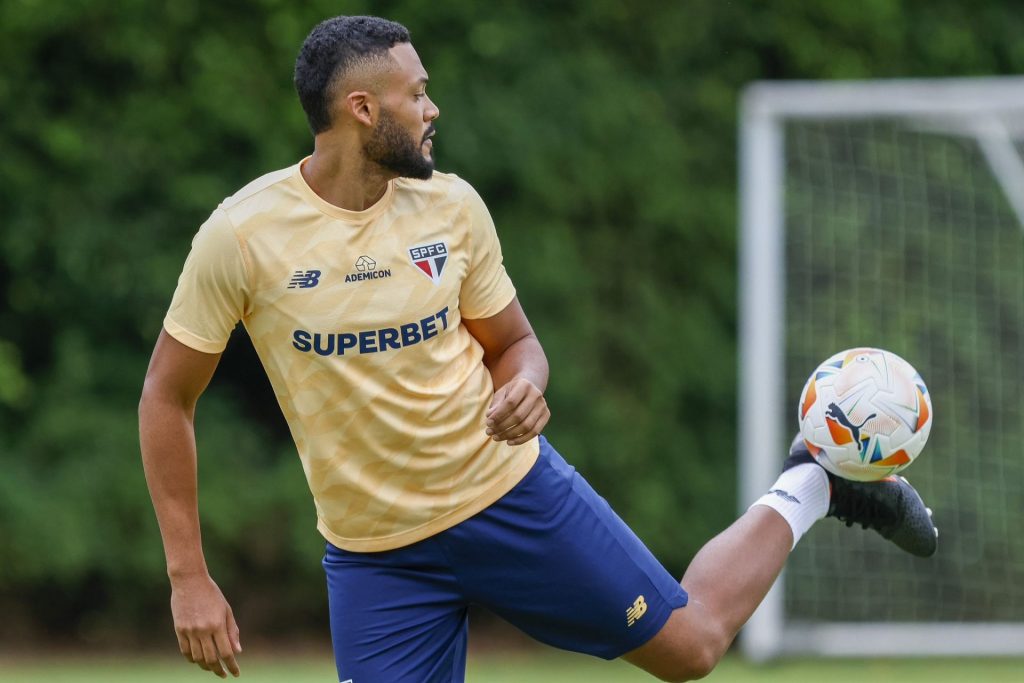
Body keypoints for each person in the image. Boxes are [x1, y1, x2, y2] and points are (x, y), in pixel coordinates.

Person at [138, 15, 938, 682]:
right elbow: (166, 398)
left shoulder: (451, 208)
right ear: (360, 108)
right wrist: (188, 576)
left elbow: (517, 345)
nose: (432, 107)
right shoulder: (241, 236)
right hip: (376, 556)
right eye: (415, 94)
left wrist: (523, 383)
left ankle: (815, 481)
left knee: (692, 648)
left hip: (508, 496)